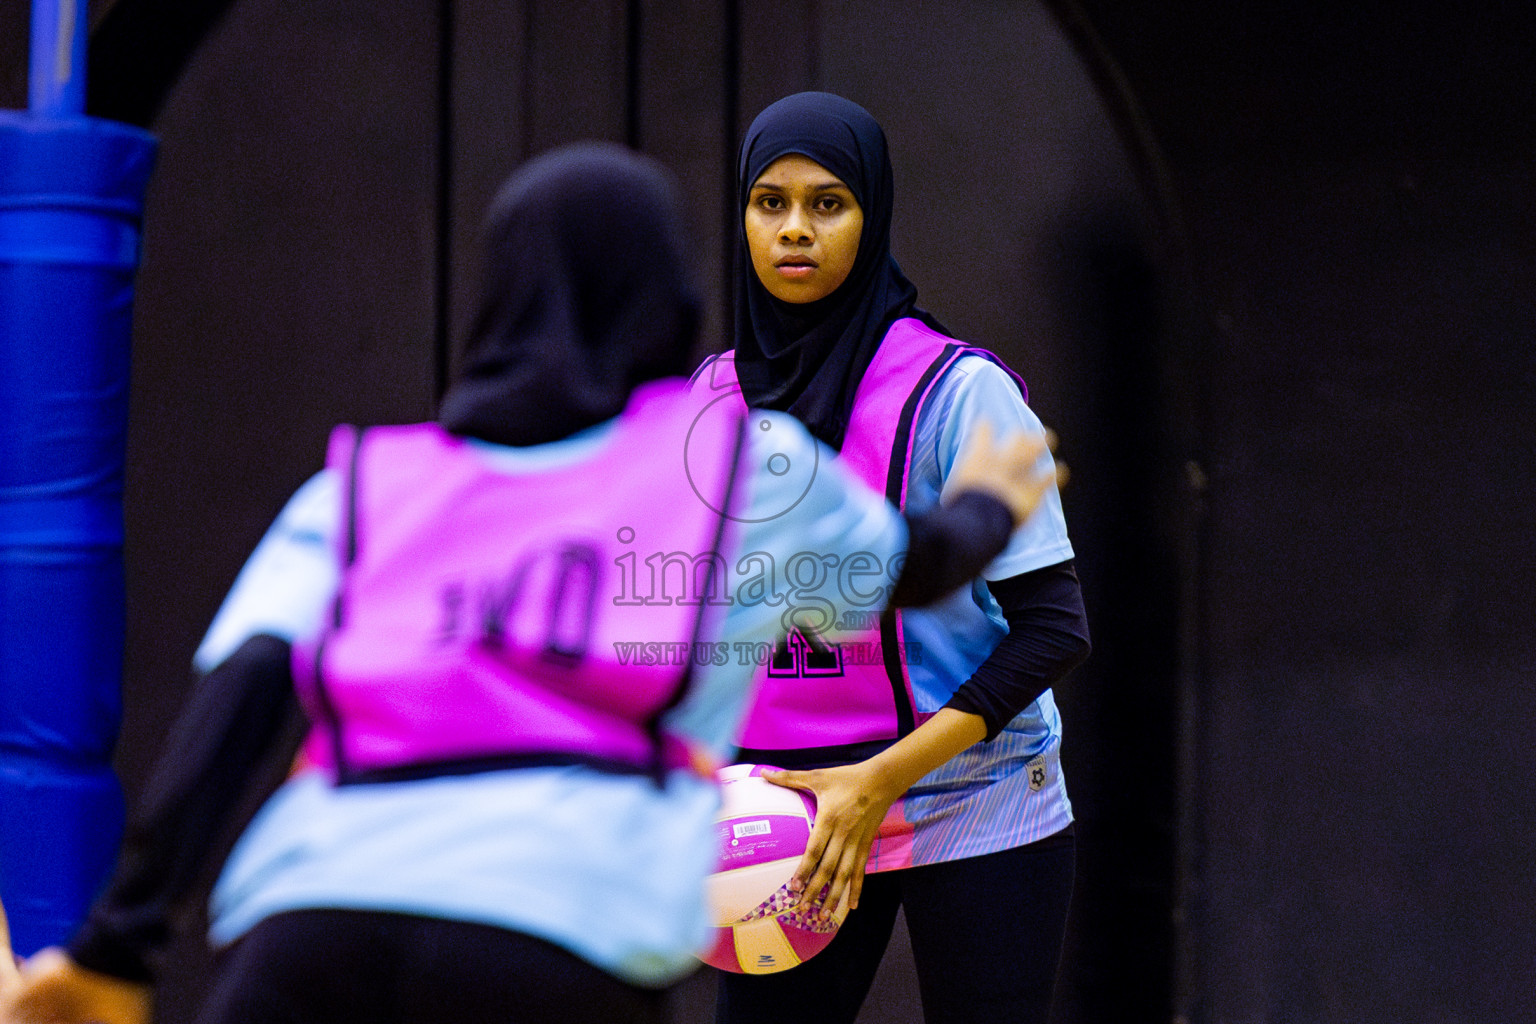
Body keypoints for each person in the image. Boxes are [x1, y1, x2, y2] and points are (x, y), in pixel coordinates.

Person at [0, 143, 1060, 1024]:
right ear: (673, 294)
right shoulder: (735, 466)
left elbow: (237, 706)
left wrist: (116, 946)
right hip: (558, 921)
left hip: (315, 921)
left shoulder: (367, 482)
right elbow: (918, 569)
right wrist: (985, 506)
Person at [694, 92, 1091, 1024]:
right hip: (787, 809)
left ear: (872, 217)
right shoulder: (706, 404)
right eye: (771, 203)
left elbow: (1055, 630)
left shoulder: (961, 391)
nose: (796, 229)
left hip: (974, 795)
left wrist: (880, 781)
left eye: (828, 204)